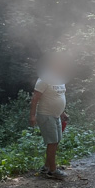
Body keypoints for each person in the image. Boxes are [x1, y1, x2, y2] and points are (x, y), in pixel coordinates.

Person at [30, 52, 69, 180]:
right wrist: (32, 116)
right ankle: (52, 171)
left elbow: (57, 96)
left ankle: (47, 166)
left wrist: (62, 112)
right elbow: (35, 98)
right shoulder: (44, 78)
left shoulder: (60, 79)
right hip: (46, 115)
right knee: (52, 142)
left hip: (56, 115)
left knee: (56, 141)